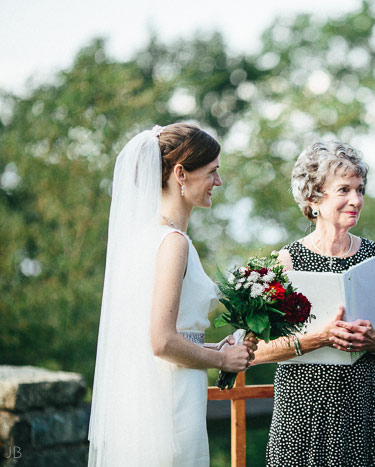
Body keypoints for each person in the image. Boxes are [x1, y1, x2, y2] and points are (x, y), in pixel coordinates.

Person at [88, 123, 257, 466]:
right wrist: (223, 361)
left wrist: (211, 346)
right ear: (181, 173)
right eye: (212, 172)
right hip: (171, 404)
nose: (218, 182)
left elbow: (153, 336)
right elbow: (162, 342)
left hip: (149, 397)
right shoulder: (173, 243)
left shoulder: (145, 237)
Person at [253, 141, 375, 466]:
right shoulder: (286, 262)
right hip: (302, 409)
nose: (356, 200)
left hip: (363, 405)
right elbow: (258, 350)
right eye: (344, 189)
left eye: (360, 189)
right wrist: (318, 338)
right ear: (313, 198)